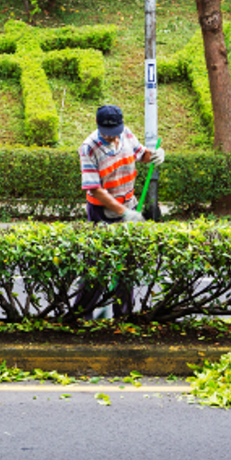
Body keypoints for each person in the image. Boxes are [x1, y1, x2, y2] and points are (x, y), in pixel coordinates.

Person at [74, 104, 164, 319]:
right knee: (97, 266)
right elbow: (95, 190)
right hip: (102, 213)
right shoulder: (89, 148)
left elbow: (141, 154)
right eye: (108, 134)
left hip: (128, 205)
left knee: (126, 267)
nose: (114, 138)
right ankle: (80, 315)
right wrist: (124, 212)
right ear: (98, 126)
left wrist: (155, 155)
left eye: (116, 132)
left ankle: (122, 317)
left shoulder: (126, 133)